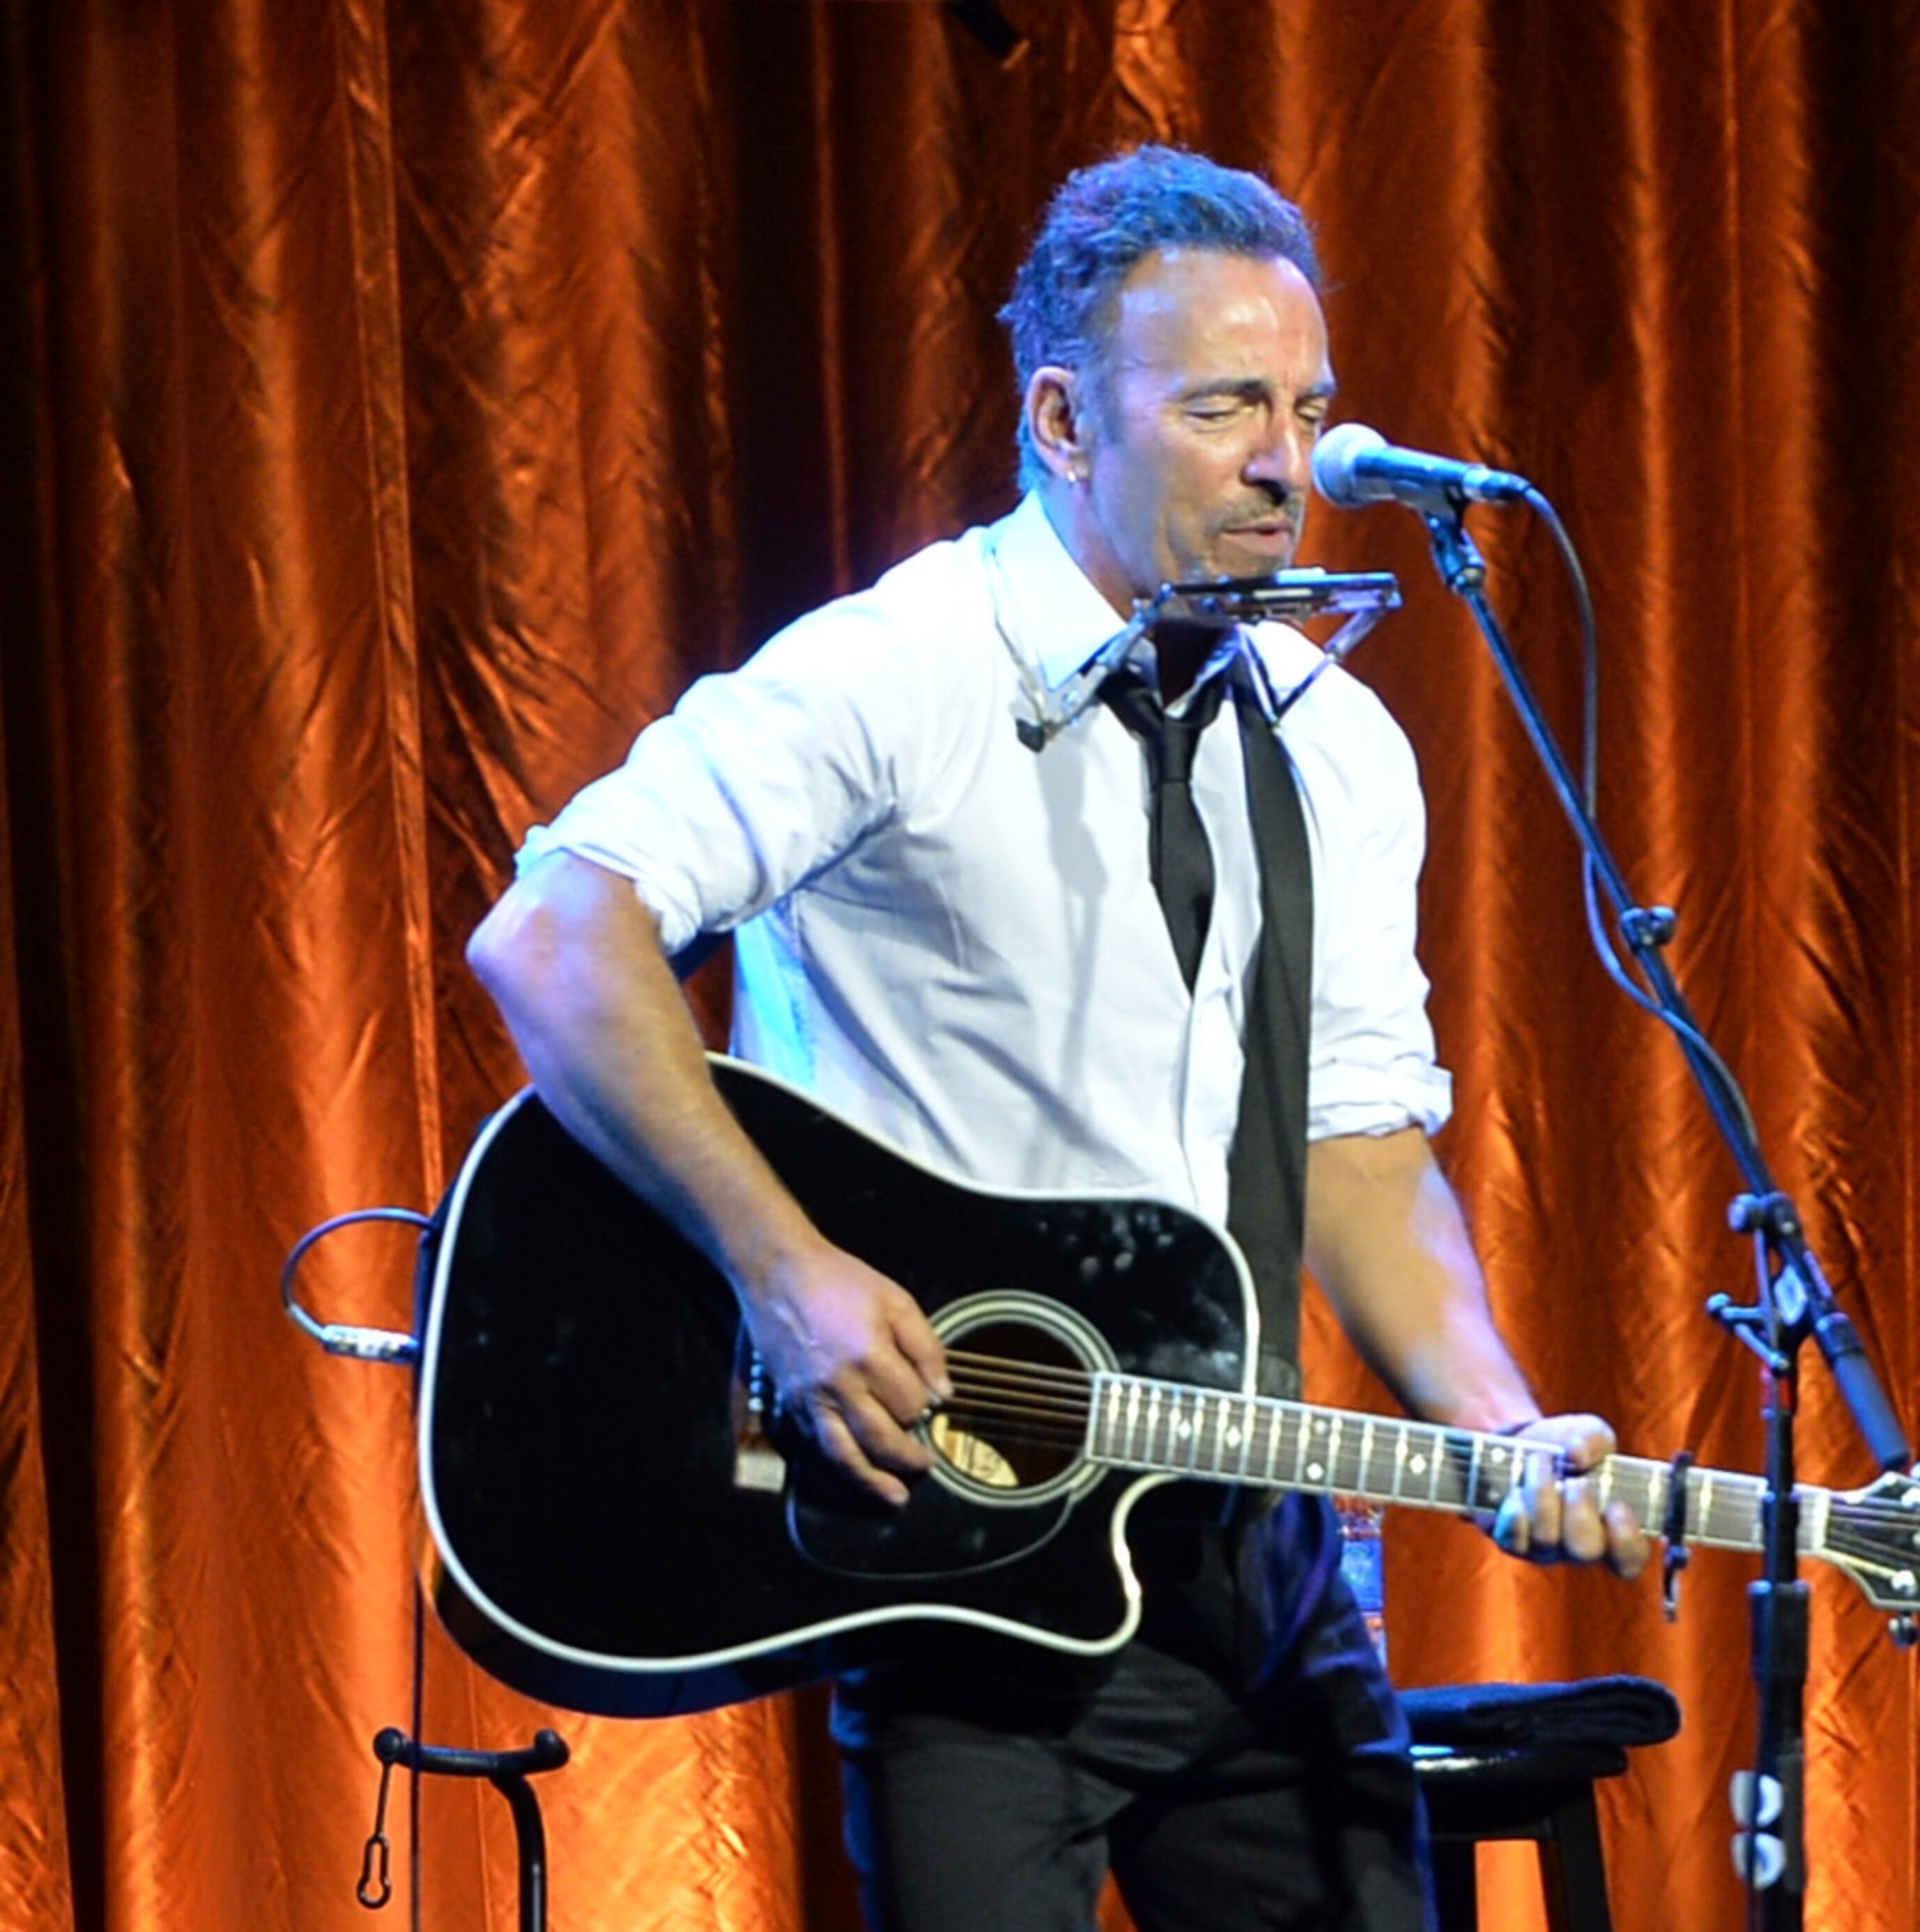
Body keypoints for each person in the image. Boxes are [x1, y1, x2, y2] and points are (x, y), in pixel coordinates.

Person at [466, 145, 1647, 1932]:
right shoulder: (899, 670)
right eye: (1224, 407)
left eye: (1309, 408)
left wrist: (1493, 1423)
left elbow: (1353, 1144)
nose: (1285, 464)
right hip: (972, 1584)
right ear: (1064, 422)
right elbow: (555, 933)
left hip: (1256, 1568)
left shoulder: (1336, 741)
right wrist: (782, 1268)